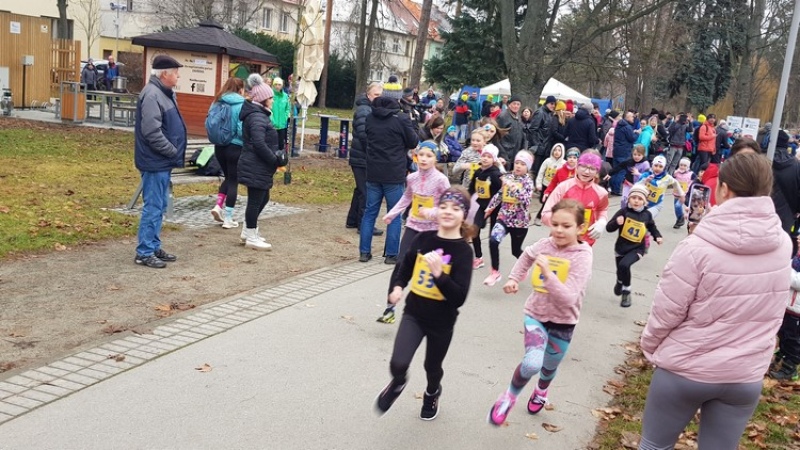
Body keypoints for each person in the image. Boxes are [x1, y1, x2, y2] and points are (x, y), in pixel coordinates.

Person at [638, 152, 791, 449]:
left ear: (724, 189)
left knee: (654, 446)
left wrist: (651, 346)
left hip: (685, 368)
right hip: (744, 374)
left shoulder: (695, 247)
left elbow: (667, 311)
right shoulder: (782, 243)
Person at [487, 198, 593, 426]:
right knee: (532, 363)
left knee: (548, 367)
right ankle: (509, 397)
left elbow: (569, 298)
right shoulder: (545, 244)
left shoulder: (583, 255)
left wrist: (547, 272)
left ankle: (541, 390)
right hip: (536, 314)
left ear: (580, 228)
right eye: (555, 224)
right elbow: (526, 256)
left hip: (564, 321)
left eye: (566, 226)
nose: (559, 230)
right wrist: (514, 278)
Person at [375, 187, 475, 421]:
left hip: (442, 322)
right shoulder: (423, 239)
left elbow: (459, 297)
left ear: (464, 215)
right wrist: (397, 287)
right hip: (414, 314)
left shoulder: (463, 252)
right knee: (398, 362)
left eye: (455, 208)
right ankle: (398, 383)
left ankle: (432, 393)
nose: (448, 211)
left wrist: (439, 274)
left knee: (432, 367)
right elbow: (405, 268)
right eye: (443, 206)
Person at [377, 141, 451, 324]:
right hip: (413, 226)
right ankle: (390, 308)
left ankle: (433, 308)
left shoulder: (441, 180)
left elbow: (449, 206)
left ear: (435, 159)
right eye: (421, 155)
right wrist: (393, 213)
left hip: (432, 231)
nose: (424, 159)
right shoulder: (412, 178)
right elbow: (407, 197)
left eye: (429, 156)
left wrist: (431, 213)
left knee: (429, 269)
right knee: (400, 264)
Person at [133, 55, 187, 268]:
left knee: (160, 205)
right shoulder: (152, 94)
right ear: (164, 74)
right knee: (154, 206)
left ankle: (153, 246)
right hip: (154, 160)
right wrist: (172, 150)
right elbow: (151, 132)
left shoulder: (164, 93)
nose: (178, 76)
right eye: (175, 72)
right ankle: (144, 252)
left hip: (162, 161)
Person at [359, 96, 420, 264]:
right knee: (394, 212)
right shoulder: (401, 119)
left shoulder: (370, 118)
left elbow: (364, 138)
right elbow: (413, 141)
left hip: (373, 170)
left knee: (370, 212)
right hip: (394, 172)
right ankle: (391, 254)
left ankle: (364, 252)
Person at [237, 74, 280, 251]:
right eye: (271, 97)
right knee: (255, 201)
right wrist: (274, 159)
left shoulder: (260, 115)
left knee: (263, 197)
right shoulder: (257, 117)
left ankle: (248, 230)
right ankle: (251, 236)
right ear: (263, 99)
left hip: (258, 164)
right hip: (256, 164)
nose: (273, 100)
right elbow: (259, 143)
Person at [483, 151, 535, 286]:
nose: (518, 166)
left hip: (519, 222)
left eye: (522, 164)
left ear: (528, 167)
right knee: (493, 240)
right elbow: (499, 195)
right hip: (504, 217)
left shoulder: (528, 182)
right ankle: (495, 272)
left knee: (515, 251)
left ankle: (524, 266)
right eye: (517, 163)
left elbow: (526, 200)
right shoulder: (508, 177)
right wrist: (489, 208)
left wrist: (513, 187)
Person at [605, 184, 662, 307]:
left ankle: (626, 292)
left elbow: (652, 227)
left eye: (640, 199)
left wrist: (657, 236)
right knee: (621, 269)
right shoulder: (623, 212)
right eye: (634, 197)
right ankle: (620, 282)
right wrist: (616, 222)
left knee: (625, 265)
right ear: (629, 199)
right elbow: (609, 228)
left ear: (645, 202)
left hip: (638, 248)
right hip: (621, 247)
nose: (636, 201)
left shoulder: (647, 214)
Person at [542, 152, 609, 247]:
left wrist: (602, 221)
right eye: (583, 166)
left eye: (592, 168)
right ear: (577, 167)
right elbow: (545, 213)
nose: (587, 172)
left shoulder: (601, 193)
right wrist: (564, 223)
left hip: (584, 244)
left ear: (597, 172)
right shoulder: (563, 187)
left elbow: (602, 209)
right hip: (559, 240)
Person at [346, 82, 384, 237]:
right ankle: (363, 225)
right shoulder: (365, 110)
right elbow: (363, 135)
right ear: (369, 95)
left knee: (360, 189)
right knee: (366, 191)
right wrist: (374, 151)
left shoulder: (369, 109)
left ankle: (352, 220)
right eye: (376, 95)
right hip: (362, 157)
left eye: (380, 95)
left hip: (360, 156)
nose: (378, 98)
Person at [209, 77, 246, 229]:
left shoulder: (216, 101)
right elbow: (241, 130)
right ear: (240, 89)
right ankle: (228, 218)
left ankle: (218, 206)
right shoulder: (241, 104)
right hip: (235, 147)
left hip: (219, 146)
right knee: (233, 181)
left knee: (228, 177)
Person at [770, 235, 800, 381]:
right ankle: (781, 360)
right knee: (784, 334)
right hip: (788, 306)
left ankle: (790, 368)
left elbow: (797, 281)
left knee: (793, 340)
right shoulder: (797, 259)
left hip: (797, 311)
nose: (798, 238)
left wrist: (784, 269)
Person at [468, 144, 504, 270]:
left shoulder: (495, 174)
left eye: (489, 157)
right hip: (481, 205)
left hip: (495, 208)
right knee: (474, 230)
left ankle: (495, 264)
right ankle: (479, 257)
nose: (485, 158)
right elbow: (472, 188)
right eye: (484, 155)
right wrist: (467, 199)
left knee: (492, 237)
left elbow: (502, 191)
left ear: (493, 159)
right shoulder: (477, 172)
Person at [610, 111, 638, 195]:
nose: (633, 118)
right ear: (627, 117)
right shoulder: (627, 127)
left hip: (617, 150)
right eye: (632, 117)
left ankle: (612, 188)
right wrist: (637, 134)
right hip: (624, 151)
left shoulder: (618, 126)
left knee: (615, 170)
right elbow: (632, 138)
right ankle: (617, 189)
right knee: (622, 171)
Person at [529, 96, 556, 176]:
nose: (553, 106)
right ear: (547, 103)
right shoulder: (540, 113)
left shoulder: (549, 114)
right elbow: (532, 130)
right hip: (539, 148)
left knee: (540, 172)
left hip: (545, 148)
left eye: (554, 104)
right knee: (534, 172)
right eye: (551, 103)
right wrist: (537, 145)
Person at [496, 95, 524, 167]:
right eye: (514, 104)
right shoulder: (503, 116)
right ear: (509, 105)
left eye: (518, 104)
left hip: (515, 150)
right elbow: (497, 135)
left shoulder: (518, 116)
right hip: (505, 150)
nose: (516, 106)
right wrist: (502, 152)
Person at [671, 158, 695, 229]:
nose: (682, 167)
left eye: (684, 165)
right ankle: (679, 220)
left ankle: (681, 219)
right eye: (681, 165)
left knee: (678, 206)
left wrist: (691, 188)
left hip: (684, 194)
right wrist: (674, 174)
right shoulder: (676, 172)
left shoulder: (691, 174)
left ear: (688, 166)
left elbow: (695, 181)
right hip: (676, 193)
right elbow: (672, 179)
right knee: (676, 208)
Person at [270, 77, 291, 152]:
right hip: (272, 125)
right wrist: (271, 119)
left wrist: (285, 117)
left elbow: (288, 108)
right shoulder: (270, 95)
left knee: (281, 144)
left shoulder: (285, 96)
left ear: (282, 86)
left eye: (279, 84)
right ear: (273, 85)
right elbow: (268, 109)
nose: (277, 86)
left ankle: (280, 157)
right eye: (275, 84)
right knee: (272, 143)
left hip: (282, 124)